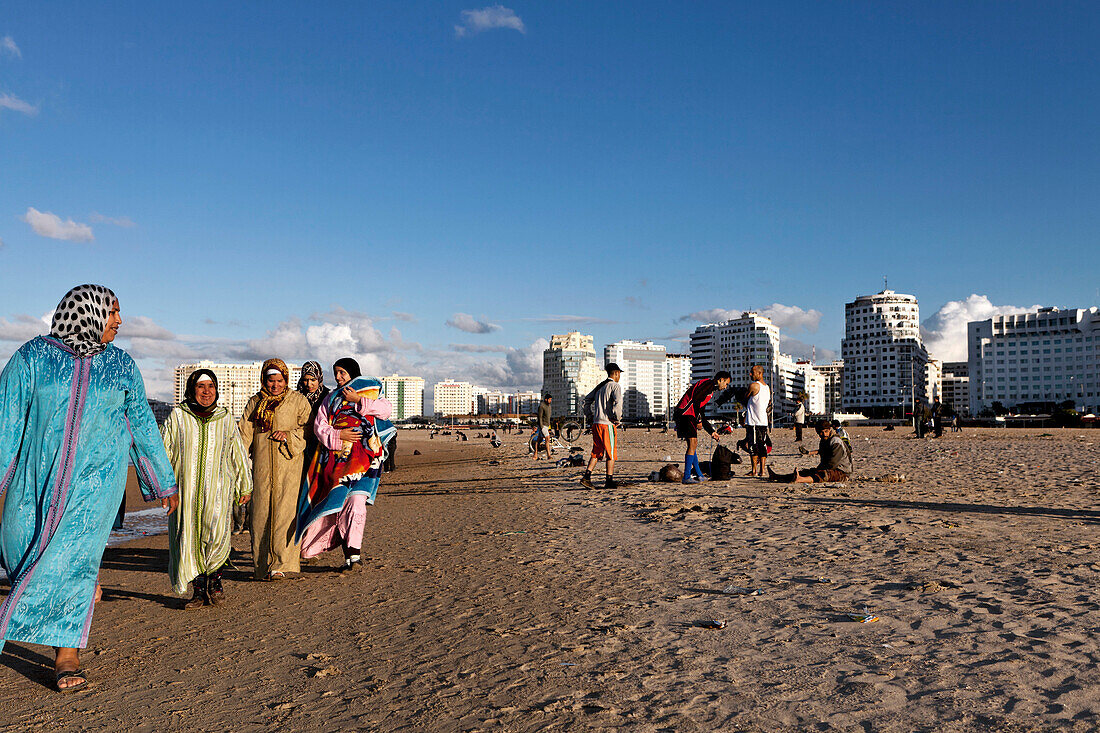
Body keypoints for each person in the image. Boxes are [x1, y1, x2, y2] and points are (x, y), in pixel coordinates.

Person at [0, 285, 178, 692]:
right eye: (112, 312)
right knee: (20, 552)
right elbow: (5, 419)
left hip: (94, 487)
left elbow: (140, 425)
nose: (119, 321)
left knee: (76, 563)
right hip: (32, 482)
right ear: (86, 312)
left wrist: (161, 480)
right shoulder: (33, 358)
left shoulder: (121, 366)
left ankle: (67, 653)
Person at [162, 369, 253, 607]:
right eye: (201, 387)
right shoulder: (178, 417)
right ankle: (199, 590)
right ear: (192, 389)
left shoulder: (224, 418)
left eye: (211, 386)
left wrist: (245, 485)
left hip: (219, 491)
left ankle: (216, 583)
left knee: (216, 537)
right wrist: (164, 486)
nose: (206, 392)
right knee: (190, 539)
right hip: (186, 493)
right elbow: (164, 451)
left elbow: (238, 454)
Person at [297, 359, 396, 571]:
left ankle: (354, 555)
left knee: (357, 503)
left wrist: (357, 399)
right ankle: (336, 541)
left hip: (366, 460)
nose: (339, 377)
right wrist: (339, 434)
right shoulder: (331, 398)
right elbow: (319, 426)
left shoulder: (369, 392)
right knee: (336, 501)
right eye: (336, 373)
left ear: (353, 372)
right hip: (337, 460)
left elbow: (385, 411)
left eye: (342, 372)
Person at [238, 359, 311, 581]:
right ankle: (261, 566)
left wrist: (289, 436)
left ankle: (281, 564)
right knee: (260, 515)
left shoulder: (298, 401)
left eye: (280, 380)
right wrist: (237, 465)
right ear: (264, 380)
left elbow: (308, 430)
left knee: (285, 513)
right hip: (261, 468)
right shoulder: (255, 403)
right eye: (271, 380)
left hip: (289, 466)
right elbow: (243, 435)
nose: (275, 385)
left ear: (286, 380)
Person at [673, 371, 732, 484]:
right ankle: (686, 477)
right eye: (726, 384)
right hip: (685, 414)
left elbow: (701, 411)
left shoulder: (710, 390)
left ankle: (699, 475)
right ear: (720, 380)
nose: (725, 387)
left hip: (688, 415)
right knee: (693, 443)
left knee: (692, 444)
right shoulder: (707, 385)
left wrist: (712, 432)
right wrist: (698, 419)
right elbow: (695, 401)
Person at [580, 363, 623, 489]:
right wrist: (617, 418)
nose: (619, 376)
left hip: (596, 423)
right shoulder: (615, 386)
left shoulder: (600, 386)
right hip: (607, 424)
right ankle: (609, 480)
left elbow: (586, 401)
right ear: (616, 373)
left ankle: (587, 477)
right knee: (611, 453)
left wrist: (589, 415)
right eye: (619, 373)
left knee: (597, 451)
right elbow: (618, 404)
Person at [768, 420, 852, 483]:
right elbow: (823, 457)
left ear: (830, 430)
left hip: (843, 472)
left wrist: (820, 469)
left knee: (823, 474)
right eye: (821, 432)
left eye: (826, 431)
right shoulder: (823, 441)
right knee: (807, 472)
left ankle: (801, 480)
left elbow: (833, 463)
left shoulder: (836, 441)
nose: (824, 434)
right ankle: (778, 477)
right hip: (829, 467)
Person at [743, 364, 772, 477]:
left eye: (752, 372)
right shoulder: (767, 387)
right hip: (763, 421)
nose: (750, 374)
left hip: (754, 422)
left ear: (760, 374)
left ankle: (754, 470)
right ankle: (762, 470)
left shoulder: (754, 385)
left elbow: (746, 398)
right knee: (762, 446)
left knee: (753, 446)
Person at [535, 393, 553, 460]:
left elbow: (548, 417)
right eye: (549, 399)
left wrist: (549, 427)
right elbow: (539, 417)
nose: (550, 401)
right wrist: (541, 426)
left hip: (547, 425)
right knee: (547, 439)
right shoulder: (541, 406)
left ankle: (535, 453)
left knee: (539, 440)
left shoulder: (549, 406)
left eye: (551, 399)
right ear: (546, 399)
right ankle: (549, 455)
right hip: (542, 425)